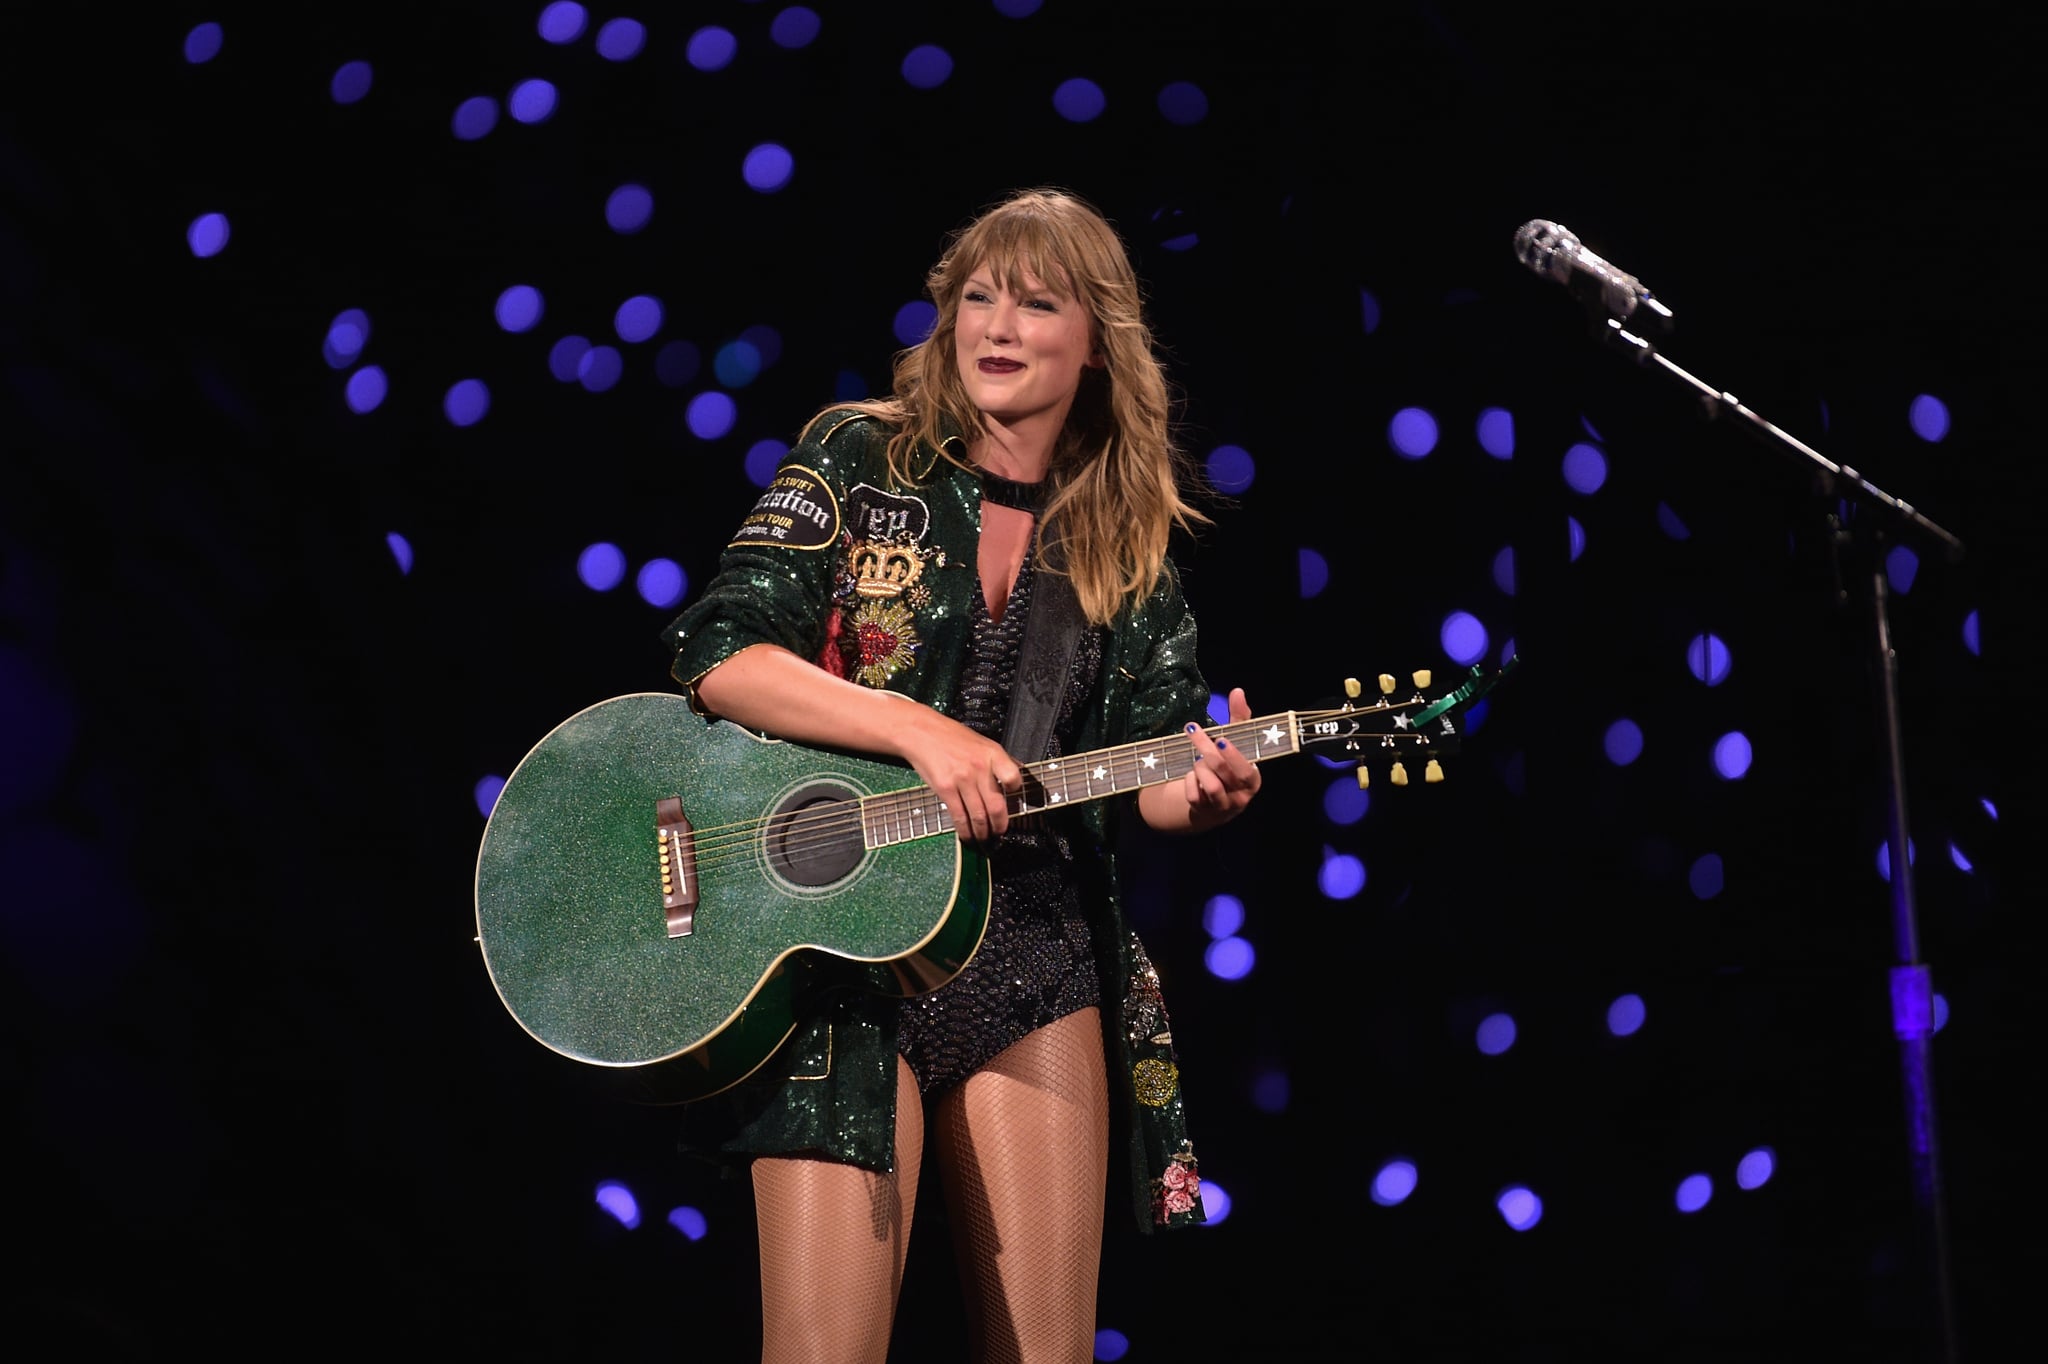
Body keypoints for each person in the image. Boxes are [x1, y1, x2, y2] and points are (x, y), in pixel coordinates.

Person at [662, 186, 1261, 1363]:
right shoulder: (857, 454)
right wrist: (916, 730)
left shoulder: (1122, 539)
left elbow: (1146, 768)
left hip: (1029, 945)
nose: (995, 323)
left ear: (1094, 341)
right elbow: (718, 653)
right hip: (835, 946)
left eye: (1035, 302)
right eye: (976, 296)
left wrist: (1204, 788)